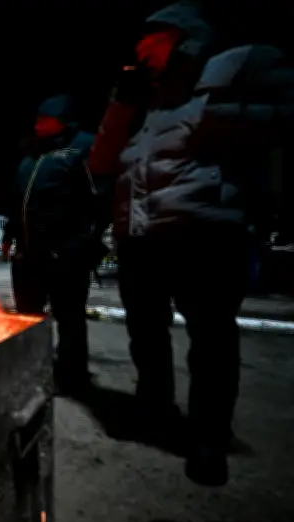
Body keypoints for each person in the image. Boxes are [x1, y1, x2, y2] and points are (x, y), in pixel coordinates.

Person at [88, 0, 294, 486]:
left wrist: (214, 116)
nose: (139, 52)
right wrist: (121, 103)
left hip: (204, 231)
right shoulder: (142, 106)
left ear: (183, 36)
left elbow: (283, 113)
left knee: (211, 341)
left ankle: (208, 438)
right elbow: (100, 163)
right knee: (147, 333)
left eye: (150, 41)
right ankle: (154, 407)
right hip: (141, 239)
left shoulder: (234, 70)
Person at [2, 94, 105, 396]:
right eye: (37, 119)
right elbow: (18, 201)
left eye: (45, 119)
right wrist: (10, 234)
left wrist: (85, 242)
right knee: (28, 317)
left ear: (63, 120)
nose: (38, 124)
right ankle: (32, 368)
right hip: (28, 254)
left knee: (69, 317)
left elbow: (97, 197)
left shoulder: (82, 148)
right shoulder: (31, 157)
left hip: (65, 252)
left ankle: (73, 378)